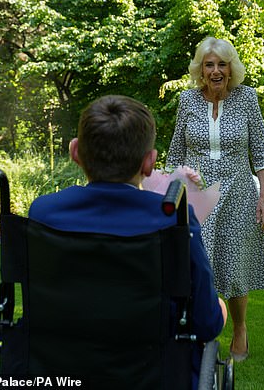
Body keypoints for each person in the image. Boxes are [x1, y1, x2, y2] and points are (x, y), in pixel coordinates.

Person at [28, 95, 227, 389]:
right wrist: (220, 308)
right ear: (149, 162)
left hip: (58, 371)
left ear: (75, 152)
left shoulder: (43, 213)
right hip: (153, 375)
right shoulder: (172, 219)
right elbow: (206, 323)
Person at [166, 37, 264, 361]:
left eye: (222, 64)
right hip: (199, 195)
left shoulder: (247, 98)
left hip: (240, 192)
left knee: (236, 264)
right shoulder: (187, 100)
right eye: (209, 64)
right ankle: (201, 331)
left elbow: (261, 151)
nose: (216, 71)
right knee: (197, 265)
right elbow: (176, 153)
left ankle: (239, 328)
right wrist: (172, 187)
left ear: (231, 68)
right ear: (201, 69)